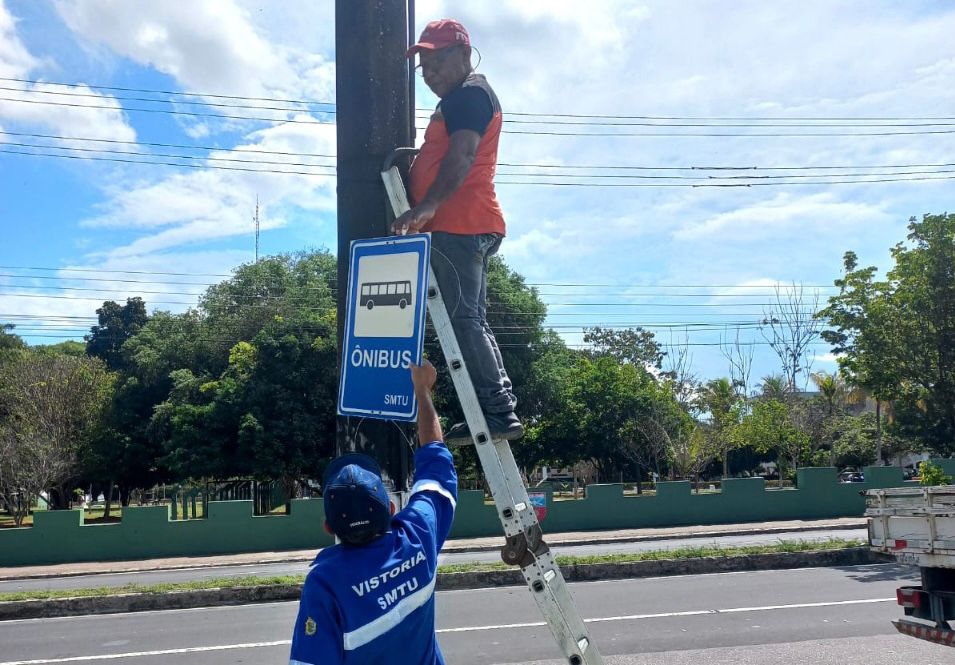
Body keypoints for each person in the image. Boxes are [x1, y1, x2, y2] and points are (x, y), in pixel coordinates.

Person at [393, 18, 522, 445]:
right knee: (469, 318)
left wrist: (427, 204)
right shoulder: (461, 98)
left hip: (458, 224)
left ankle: (498, 411)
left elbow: (463, 156)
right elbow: (445, 152)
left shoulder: (469, 94)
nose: (429, 74)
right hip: (464, 223)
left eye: (437, 62)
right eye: (423, 67)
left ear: (465, 56)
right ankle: (496, 408)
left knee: (465, 319)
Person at [288, 360, 457, 665]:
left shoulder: (325, 582)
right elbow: (435, 459)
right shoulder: (418, 536)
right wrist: (422, 390)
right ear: (392, 509)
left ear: (329, 527)